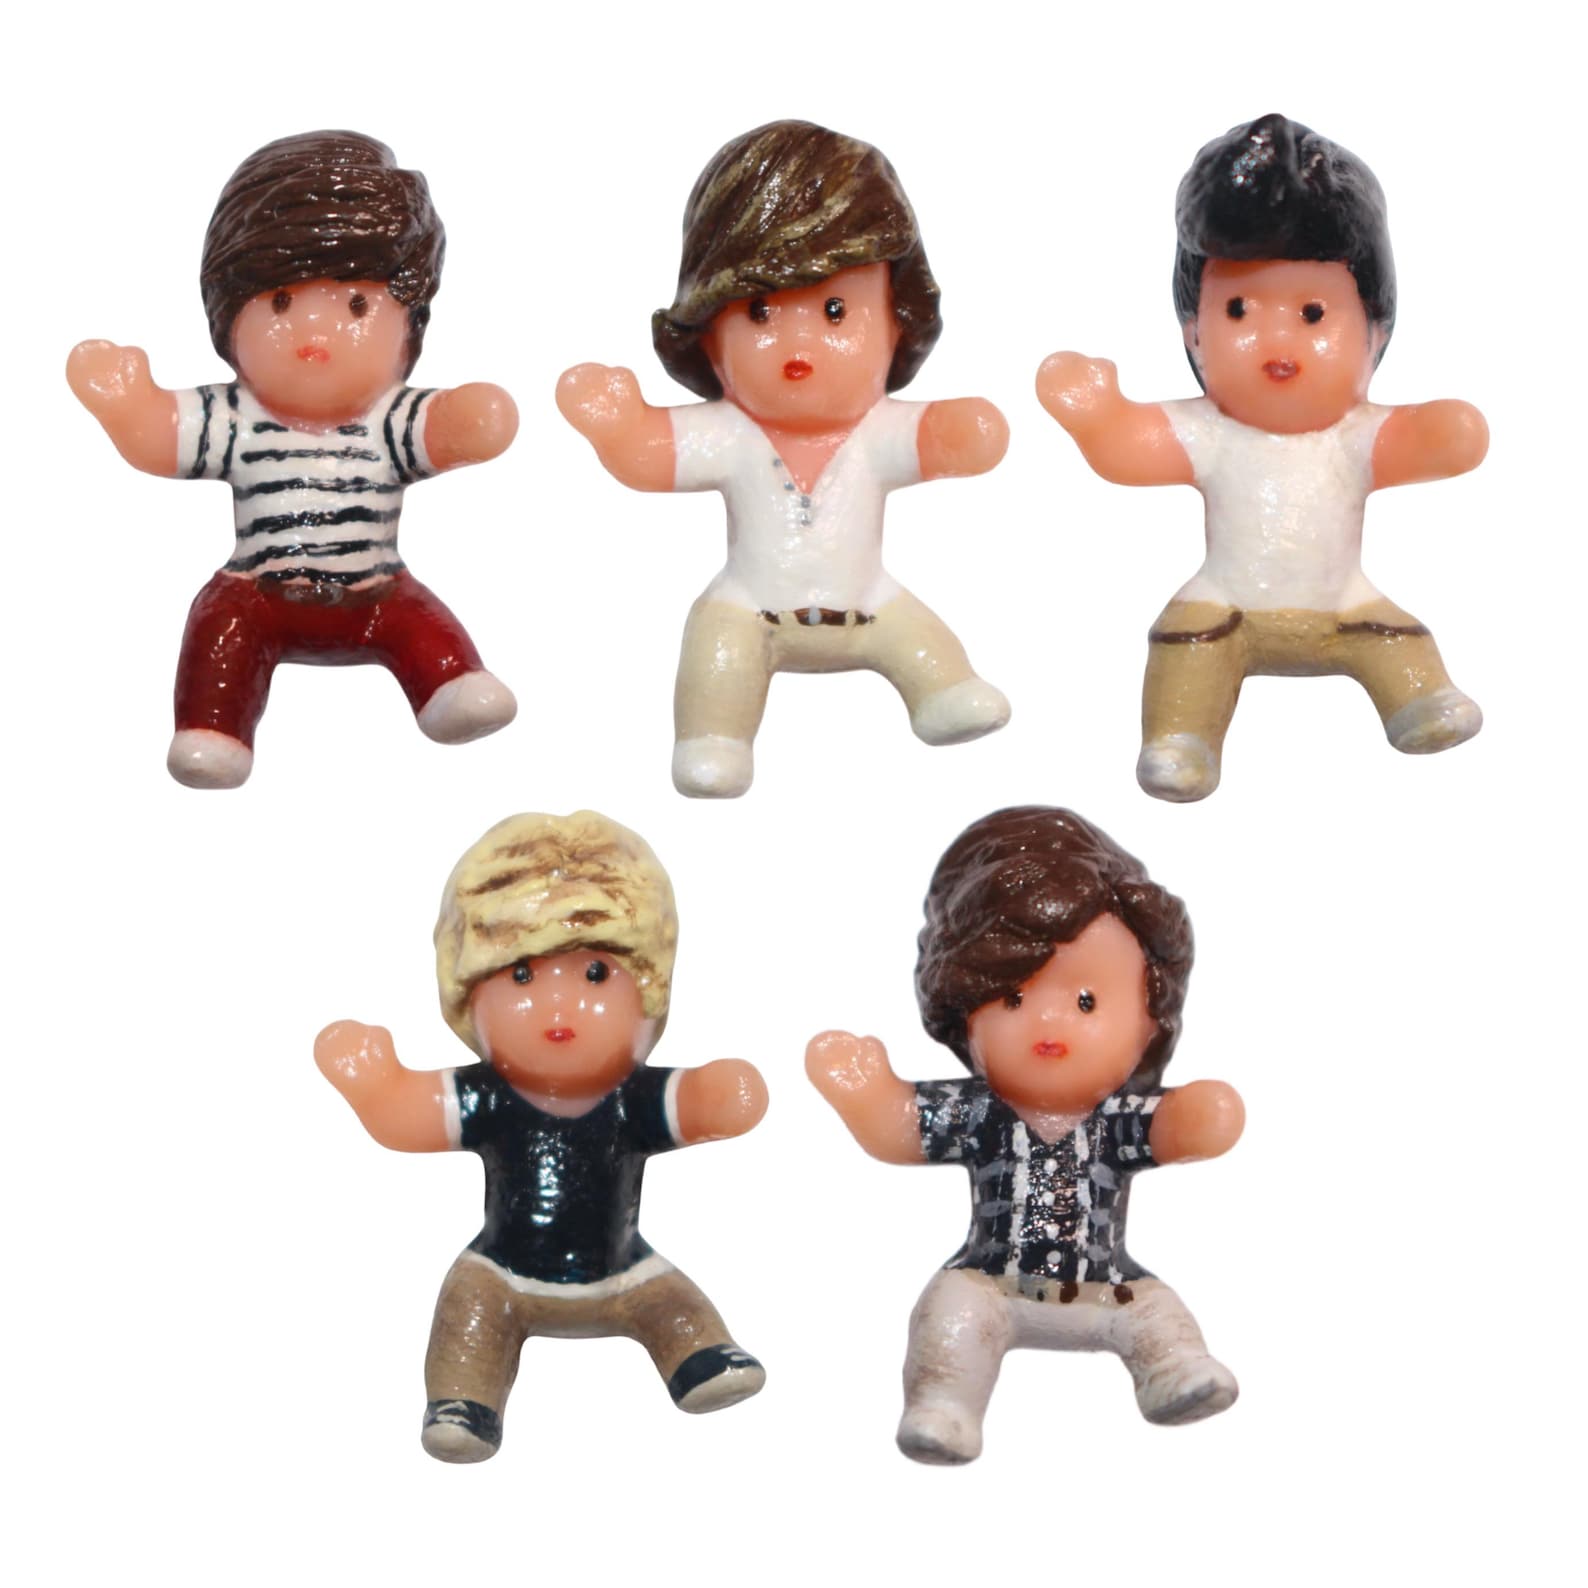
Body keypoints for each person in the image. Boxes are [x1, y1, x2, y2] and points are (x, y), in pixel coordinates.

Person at [1037, 113, 1487, 801]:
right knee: (1183, 646)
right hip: (1226, 610)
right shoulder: (1210, 430)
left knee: (1398, 636)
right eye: (1239, 311)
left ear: (1374, 334)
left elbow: (1420, 443)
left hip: (1345, 607)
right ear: (1193, 334)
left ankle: (1420, 701)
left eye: (1312, 315)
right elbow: (1130, 451)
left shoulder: (1354, 435)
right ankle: (1181, 739)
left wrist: (1447, 433)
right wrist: (1096, 415)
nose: (1278, 344)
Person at [558, 119, 1010, 798]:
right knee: (715, 646)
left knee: (925, 639)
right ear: (709, 336)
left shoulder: (879, 432)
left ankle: (944, 693)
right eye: (762, 314)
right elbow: (650, 456)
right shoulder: (729, 433)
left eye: (835, 311)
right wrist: (618, 426)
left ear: (898, 323)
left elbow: (950, 440)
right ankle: (715, 738)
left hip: (869, 605)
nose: (799, 347)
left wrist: (966, 432)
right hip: (749, 610)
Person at [67, 130, 518, 788]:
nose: (314, 334)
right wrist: (126, 405)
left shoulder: (388, 418)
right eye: (281, 304)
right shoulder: (233, 416)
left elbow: (444, 430)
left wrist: (473, 420)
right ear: (228, 317)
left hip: (374, 594)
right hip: (257, 593)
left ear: (410, 326)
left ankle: (450, 689)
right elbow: (161, 438)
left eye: (356, 306)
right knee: (216, 627)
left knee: (421, 622)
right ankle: (214, 730)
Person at [316, 810, 768, 1463]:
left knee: (674, 1301)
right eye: (522, 976)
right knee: (466, 1309)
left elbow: (695, 1106)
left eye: (594, 975)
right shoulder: (488, 1095)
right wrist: (375, 1085)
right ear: (471, 1002)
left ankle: (699, 1357)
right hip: (503, 1272)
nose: (560, 1008)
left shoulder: (633, 1098)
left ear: (649, 997)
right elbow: (406, 1117)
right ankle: (464, 1401)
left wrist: (719, 1095)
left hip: (624, 1272)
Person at [808, 806, 1243, 1464]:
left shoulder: (1119, 1117)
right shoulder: (980, 1111)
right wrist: (865, 1092)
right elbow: (900, 1131)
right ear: (965, 1015)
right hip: (991, 1283)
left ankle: (1173, 1374)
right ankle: (945, 1406)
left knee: (1159, 1313)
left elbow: (1174, 1128)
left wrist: (1203, 1116)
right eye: (1013, 1000)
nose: (1049, 1024)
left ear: (1150, 1021)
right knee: (949, 1314)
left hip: (1108, 1288)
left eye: (1087, 1002)